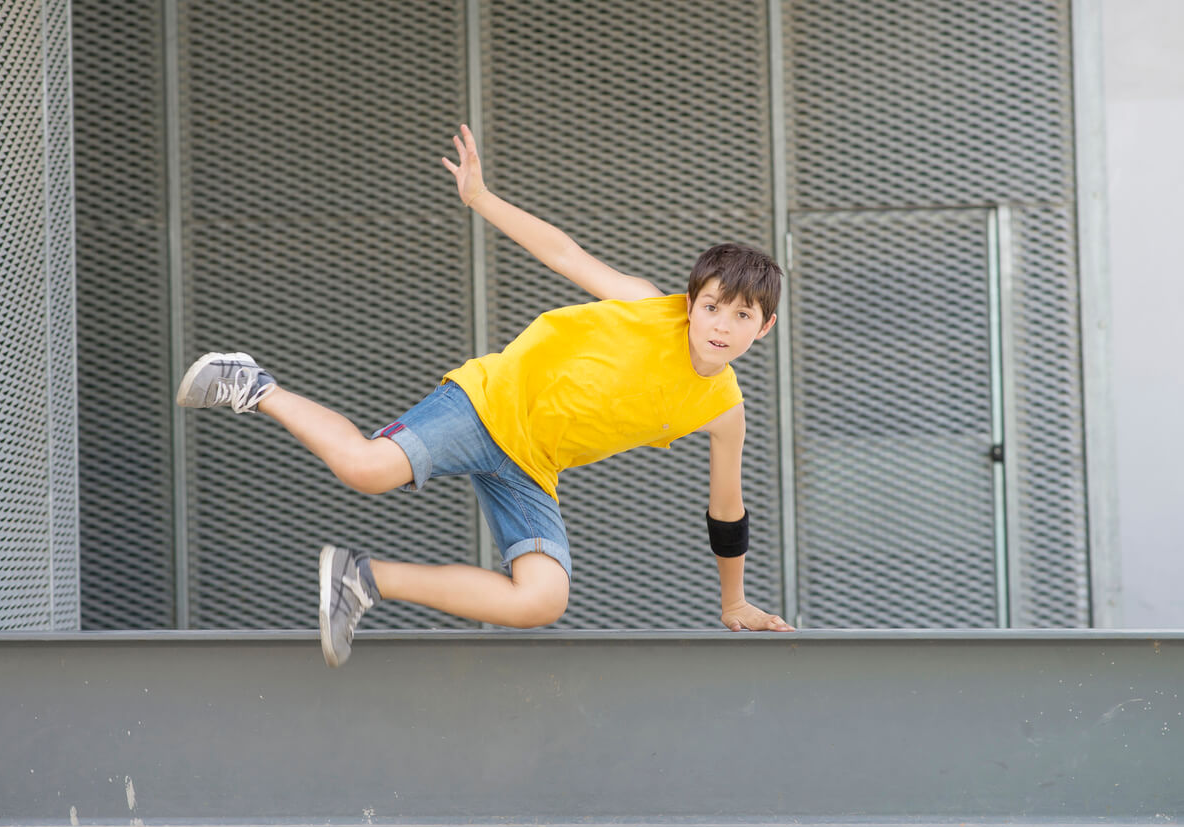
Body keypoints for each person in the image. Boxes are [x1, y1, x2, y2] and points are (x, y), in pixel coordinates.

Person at [176, 124, 795, 667]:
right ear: (690, 306)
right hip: (485, 404)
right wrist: (480, 197)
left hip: (531, 465)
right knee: (366, 469)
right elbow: (563, 252)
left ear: (763, 328)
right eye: (711, 307)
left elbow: (727, 515)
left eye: (741, 317)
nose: (721, 325)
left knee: (543, 598)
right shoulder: (644, 306)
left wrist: (734, 600)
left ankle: (362, 579)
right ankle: (251, 384)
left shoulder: (724, 412)